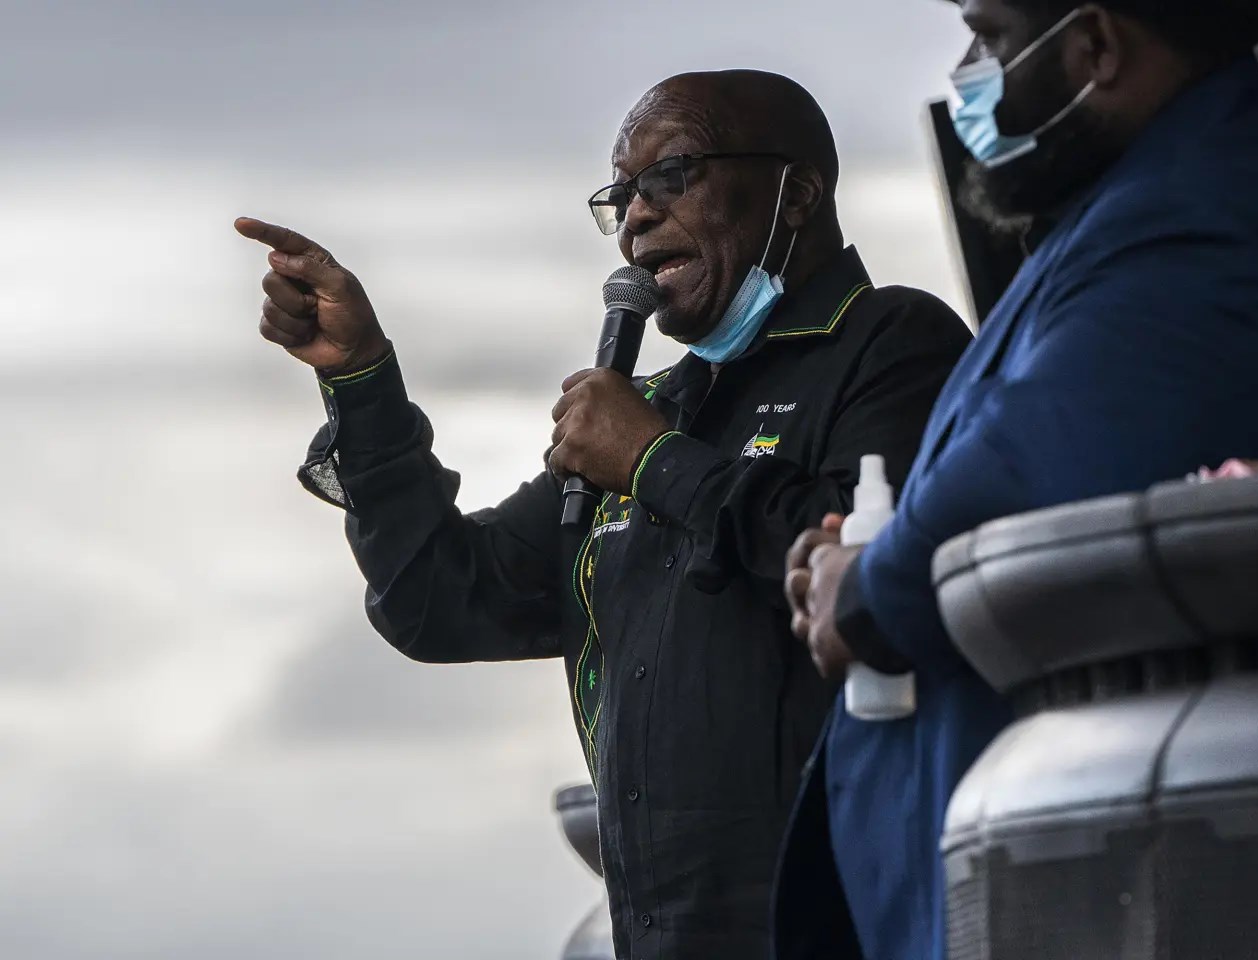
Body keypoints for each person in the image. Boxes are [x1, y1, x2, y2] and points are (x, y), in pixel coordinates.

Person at [234, 69, 973, 960]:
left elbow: (871, 565)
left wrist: (656, 462)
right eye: (620, 196)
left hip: (845, 920)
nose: (635, 219)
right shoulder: (652, 407)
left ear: (796, 190)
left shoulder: (893, 342)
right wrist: (361, 377)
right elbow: (438, 597)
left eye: (672, 177)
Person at [776, 2, 1258, 958]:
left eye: (995, 37)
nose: (973, 71)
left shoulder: (1204, 213)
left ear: (1095, 48)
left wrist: (863, 591)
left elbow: (1026, 473)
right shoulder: (1152, 201)